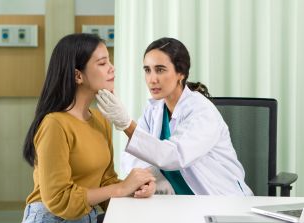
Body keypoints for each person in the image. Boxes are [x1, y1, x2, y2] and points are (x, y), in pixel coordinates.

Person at [21, 33, 156, 223]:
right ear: (78, 75)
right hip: (50, 219)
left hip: (86, 218)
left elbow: (106, 181)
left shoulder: (100, 118)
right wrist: (122, 188)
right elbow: (58, 199)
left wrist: (135, 190)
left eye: (109, 61)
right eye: (102, 63)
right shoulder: (55, 124)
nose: (112, 68)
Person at [96, 37, 253, 196]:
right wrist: (149, 179)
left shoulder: (202, 112)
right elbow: (132, 157)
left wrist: (126, 124)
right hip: (179, 203)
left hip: (221, 201)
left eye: (160, 70)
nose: (152, 79)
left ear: (181, 73)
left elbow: (174, 155)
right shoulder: (154, 109)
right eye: (147, 70)